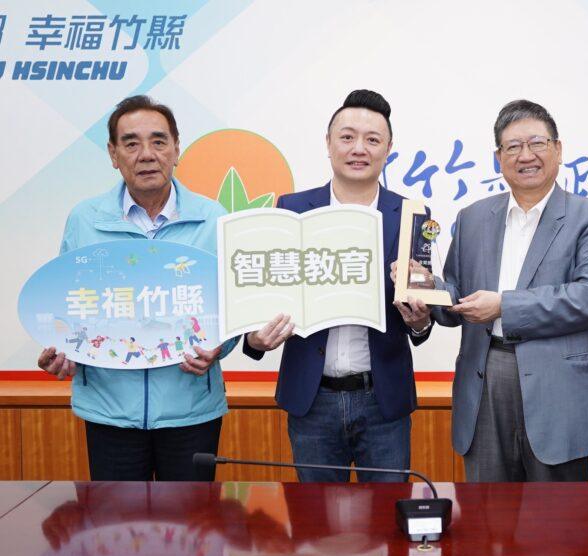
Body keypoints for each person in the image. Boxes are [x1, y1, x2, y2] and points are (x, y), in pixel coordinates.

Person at [36, 95, 235, 481]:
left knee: (191, 519)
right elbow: (66, 305)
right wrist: (63, 350)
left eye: (159, 141)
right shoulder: (85, 220)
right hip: (110, 411)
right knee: (116, 518)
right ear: (113, 154)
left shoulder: (214, 219)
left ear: (176, 149)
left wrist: (219, 347)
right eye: (131, 143)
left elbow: (233, 310)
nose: (146, 154)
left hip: (191, 409)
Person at [428, 99, 588, 482]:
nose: (526, 155)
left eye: (537, 143)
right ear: (498, 158)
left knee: (557, 513)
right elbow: (456, 294)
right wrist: (425, 291)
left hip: (558, 387)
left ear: (558, 150)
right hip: (485, 378)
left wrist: (503, 306)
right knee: (487, 511)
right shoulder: (473, 218)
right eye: (513, 146)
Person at [243, 90, 432, 482]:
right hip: (313, 400)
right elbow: (266, 295)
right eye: (347, 137)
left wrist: (420, 320)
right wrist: (255, 339)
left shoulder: (412, 214)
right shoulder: (292, 209)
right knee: (315, 517)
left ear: (388, 149)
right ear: (328, 143)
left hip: (383, 401)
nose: (358, 148)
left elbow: (420, 313)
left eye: (372, 139)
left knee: (388, 512)